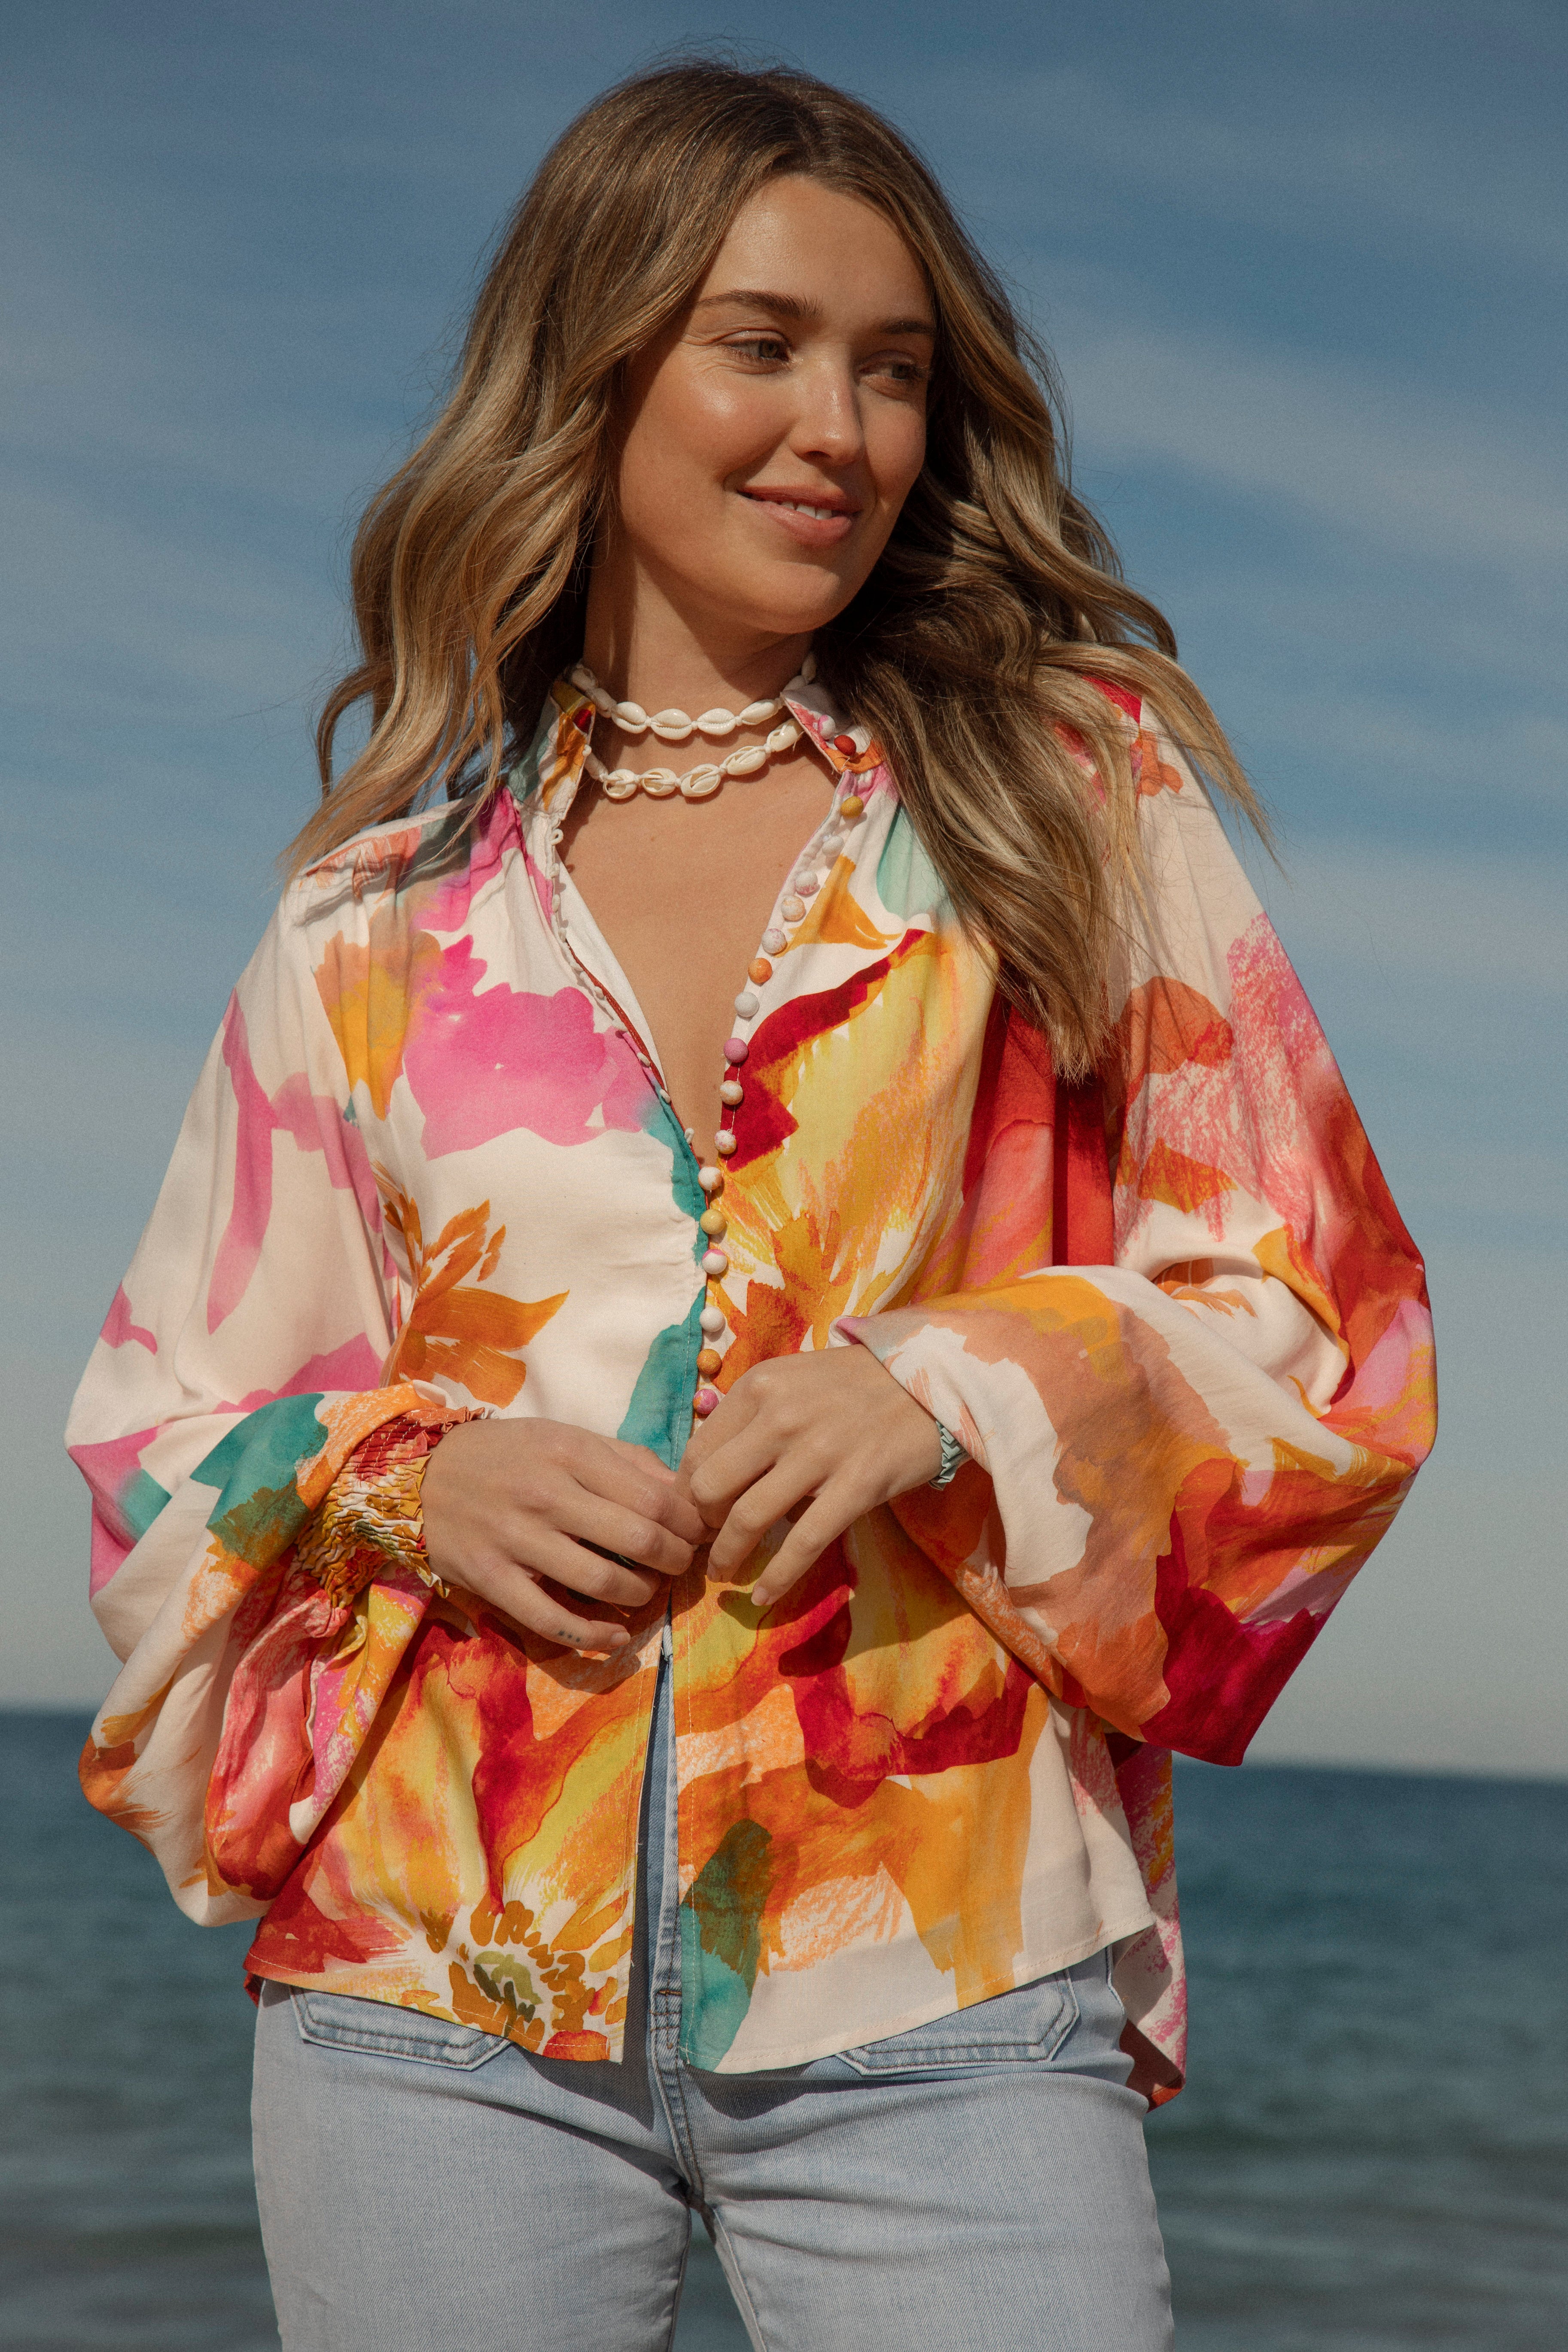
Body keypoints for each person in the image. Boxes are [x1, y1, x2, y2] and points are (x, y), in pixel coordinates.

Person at [67, 61, 1436, 2352]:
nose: (842, 428)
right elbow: (164, 1420)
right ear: (596, 362)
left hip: (941, 1958)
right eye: (765, 344)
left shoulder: (1063, 793)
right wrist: (415, 1475)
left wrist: (949, 1380)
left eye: (894, 372)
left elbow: (1318, 1313)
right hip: (433, 1975)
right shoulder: (378, 908)